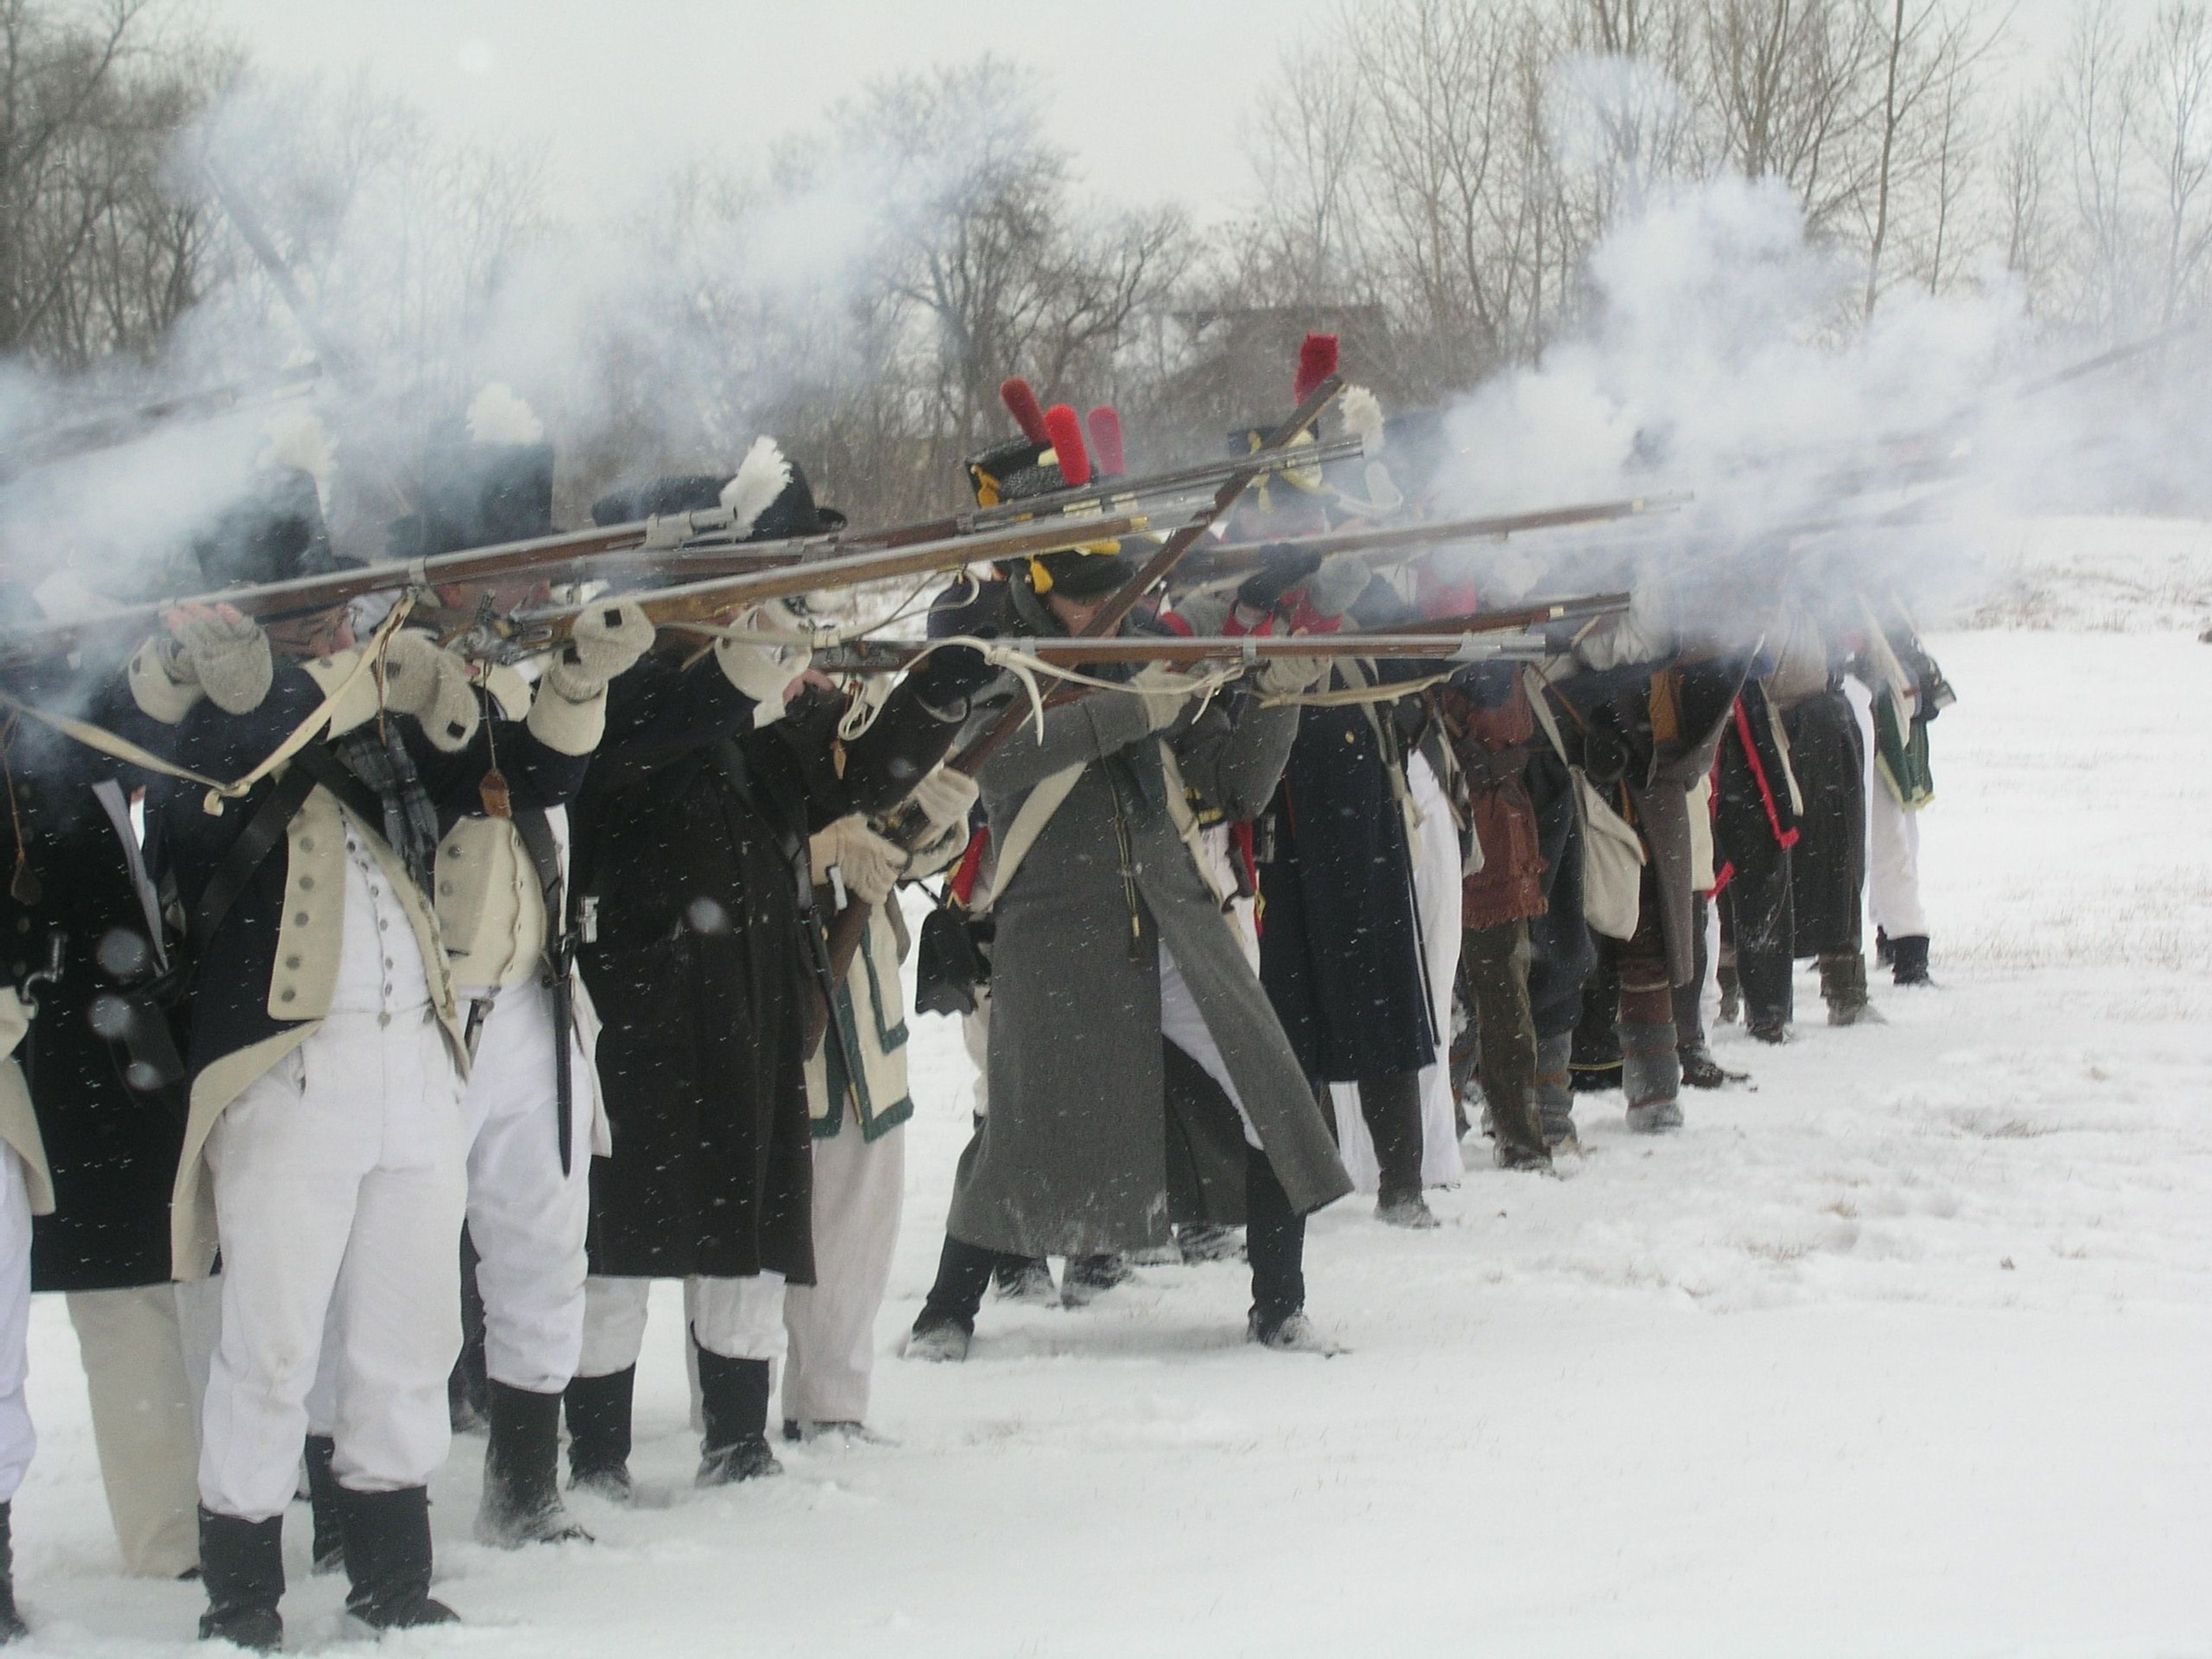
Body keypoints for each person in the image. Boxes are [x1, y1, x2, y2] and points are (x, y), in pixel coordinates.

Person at [128, 458, 596, 1646]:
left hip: (416, 1065)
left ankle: (392, 1573)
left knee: (407, 1338)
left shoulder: (389, 705)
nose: (333, 623)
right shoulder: (193, 738)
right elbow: (201, 813)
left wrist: (577, 679)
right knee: (275, 1345)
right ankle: (243, 1594)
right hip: (289, 1077)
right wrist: (243, 688)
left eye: (335, 605)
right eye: (303, 610)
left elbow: (515, 774)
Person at [561, 449, 990, 1495]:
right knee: (617, 1246)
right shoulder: (612, 688)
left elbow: (849, 777)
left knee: (745, 1231)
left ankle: (740, 1444)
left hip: (749, 996)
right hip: (637, 998)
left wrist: (947, 685)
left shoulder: (753, 696)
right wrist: (752, 656)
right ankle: (599, 1455)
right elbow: (660, 731)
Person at [906, 502, 1352, 1359]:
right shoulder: (1001, 664)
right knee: (1016, 1129)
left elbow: (1235, 781)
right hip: (1055, 933)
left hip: (1175, 918)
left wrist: (1279, 679)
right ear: (1040, 592)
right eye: (1084, 591)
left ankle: (1279, 1304)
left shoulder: (1150, 656)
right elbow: (998, 762)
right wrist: (1142, 703)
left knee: (1271, 1095)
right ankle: (945, 1314)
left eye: (1112, 584)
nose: (1104, 602)